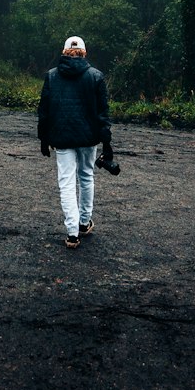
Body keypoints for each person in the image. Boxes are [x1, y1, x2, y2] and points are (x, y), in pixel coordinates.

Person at [37, 34, 115, 249]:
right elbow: (103, 113)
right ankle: (83, 222)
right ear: (84, 52)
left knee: (67, 183)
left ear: (64, 52)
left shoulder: (52, 76)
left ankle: (72, 234)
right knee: (86, 176)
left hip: (61, 137)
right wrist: (106, 142)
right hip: (88, 138)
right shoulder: (96, 76)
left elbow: (44, 111)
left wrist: (43, 138)